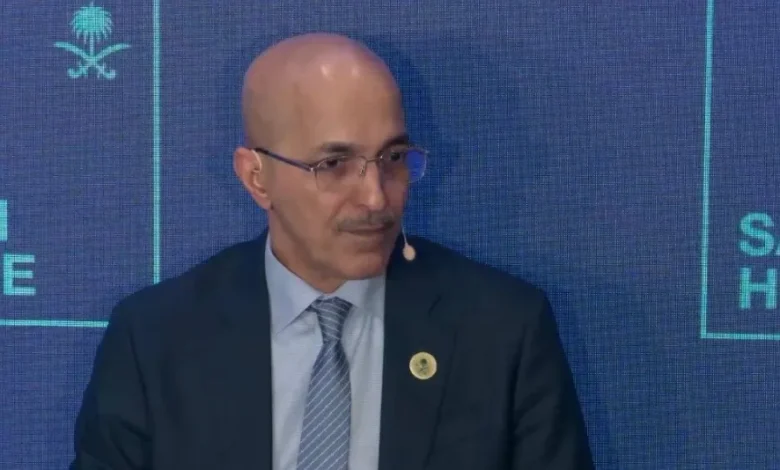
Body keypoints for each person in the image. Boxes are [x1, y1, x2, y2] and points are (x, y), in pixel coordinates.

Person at [70, 33, 594, 470]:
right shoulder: (156, 339)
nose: (376, 198)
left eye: (392, 158)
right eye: (334, 165)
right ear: (256, 177)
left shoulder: (501, 331)